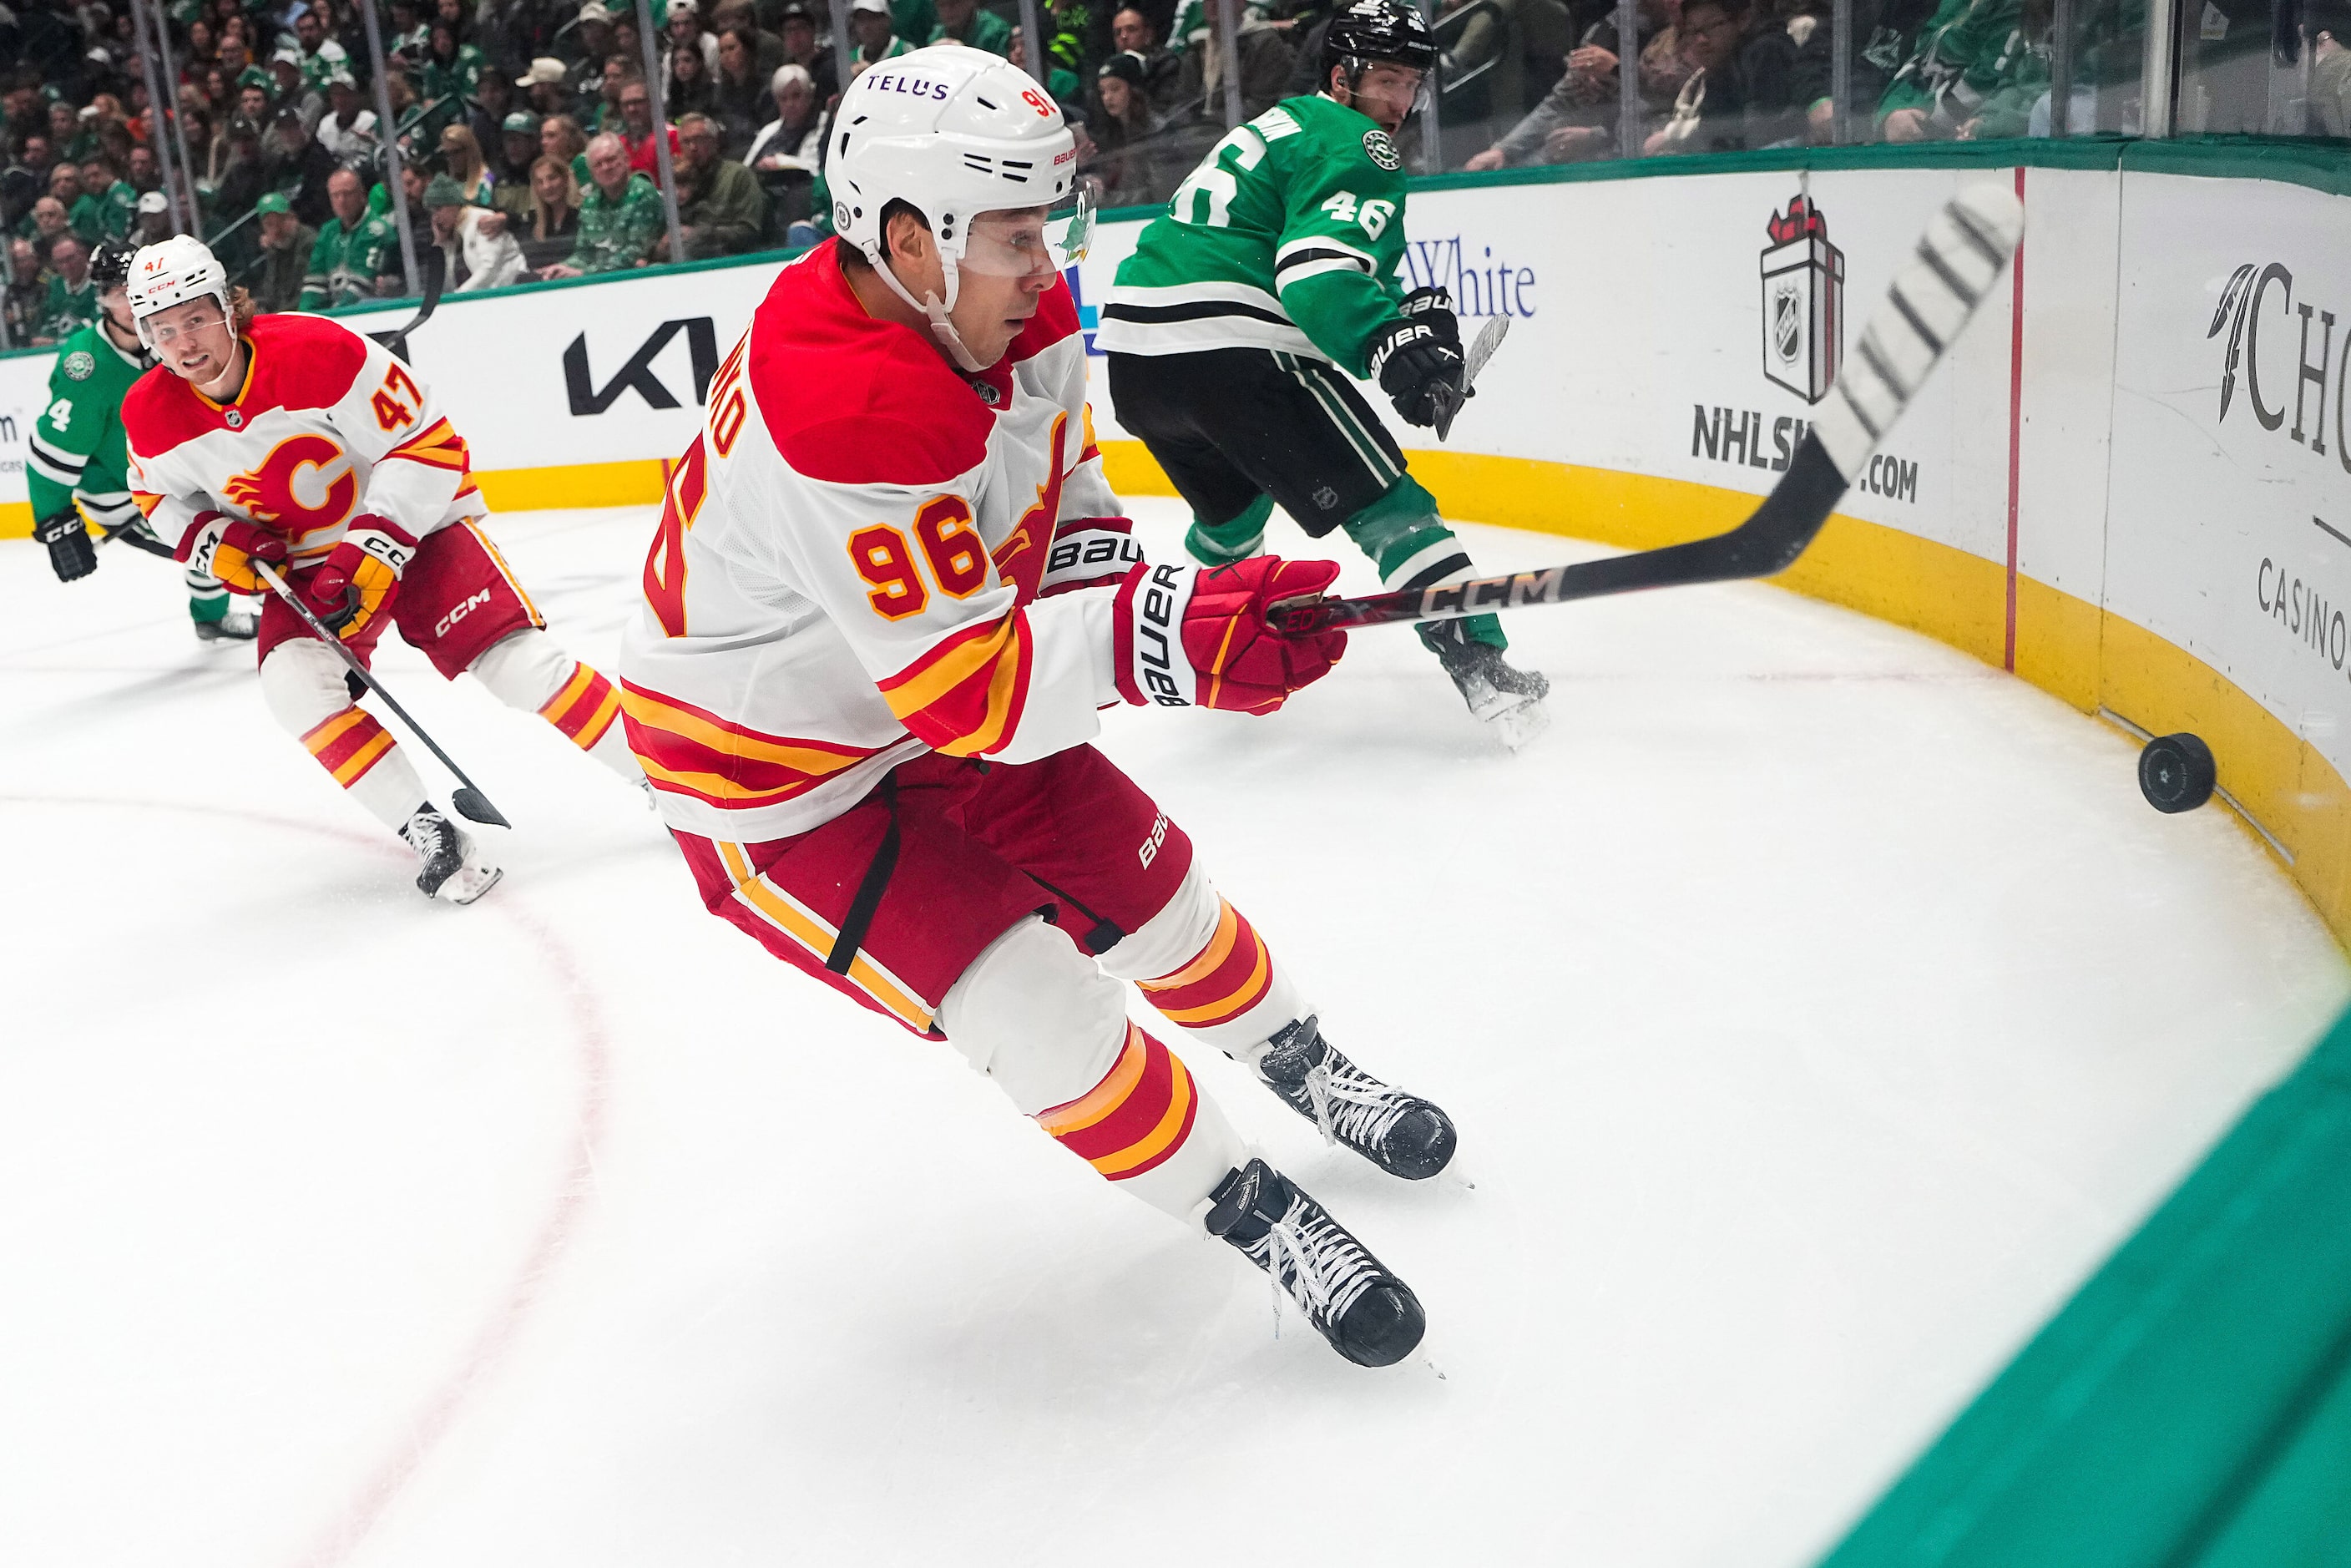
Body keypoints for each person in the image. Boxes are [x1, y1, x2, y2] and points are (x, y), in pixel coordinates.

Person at [618, 43, 1446, 1368]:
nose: (1047, 264)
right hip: (781, 785)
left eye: (1048, 224)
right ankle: (1250, 1206)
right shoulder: (842, 400)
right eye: (1015, 233)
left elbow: (1064, 515)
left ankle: (1299, 1057)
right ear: (910, 238)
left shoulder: (1010, 305)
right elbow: (970, 694)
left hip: (933, 685)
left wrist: (1159, 605)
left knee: (1165, 896)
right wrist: (1167, 639)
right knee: (1035, 1003)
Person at [122, 235, 647, 905]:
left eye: (196, 318)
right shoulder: (149, 412)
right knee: (295, 689)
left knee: (517, 666)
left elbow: (430, 444)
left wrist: (376, 547)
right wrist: (213, 537)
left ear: (229, 308)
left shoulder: (321, 350)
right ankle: (429, 829)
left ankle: (665, 775)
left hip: (415, 530)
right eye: (163, 331)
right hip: (305, 569)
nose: (184, 344)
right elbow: (156, 496)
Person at [1100, 0, 1550, 744]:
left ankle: (1196, 641)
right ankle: (1486, 673)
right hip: (1234, 354)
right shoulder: (1355, 141)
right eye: (1388, 82)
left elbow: (1280, 250)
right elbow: (1314, 276)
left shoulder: (1274, 128)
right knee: (1394, 511)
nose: (1401, 105)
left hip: (1139, 367)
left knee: (1232, 518)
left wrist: (1398, 317)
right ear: (1341, 77)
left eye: (1412, 85)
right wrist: (1387, 345)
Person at [27, 238, 254, 645]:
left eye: (137, 294)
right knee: (214, 539)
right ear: (102, 300)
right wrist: (56, 521)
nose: (133, 307)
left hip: (173, 470)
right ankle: (217, 615)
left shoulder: (168, 341)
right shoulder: (88, 366)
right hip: (120, 494)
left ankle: (214, 613)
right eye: (119, 295)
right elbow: (50, 455)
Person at [543, 131, 664, 276]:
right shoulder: (590, 203)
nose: (606, 167)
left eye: (611, 160)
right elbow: (583, 255)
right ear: (592, 173)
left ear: (626, 160)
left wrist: (583, 273)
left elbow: (636, 254)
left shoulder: (643, 193)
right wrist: (560, 268)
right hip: (597, 280)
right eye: (598, 164)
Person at [665, 112, 766, 258]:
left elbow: (749, 231)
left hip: (728, 258)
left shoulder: (737, 175)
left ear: (714, 141)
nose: (693, 147)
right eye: (686, 142)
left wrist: (701, 234)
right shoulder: (676, 180)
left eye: (699, 140)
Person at [300, 166, 402, 306]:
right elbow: (315, 282)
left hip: (369, 311)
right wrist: (305, 317)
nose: (341, 201)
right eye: (335, 195)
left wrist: (334, 316)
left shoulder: (376, 230)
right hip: (337, 311)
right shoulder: (328, 231)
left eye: (347, 194)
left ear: (362, 196)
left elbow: (362, 285)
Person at [1087, 52, 1170, 207]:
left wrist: (1105, 198)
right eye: (1103, 92)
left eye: (1115, 89)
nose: (1107, 98)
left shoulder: (1157, 130)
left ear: (1133, 89)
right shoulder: (1106, 133)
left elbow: (1158, 192)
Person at [423, 171, 528, 288]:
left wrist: (461, 295)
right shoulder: (457, 233)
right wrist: (441, 243)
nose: (435, 217)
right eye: (431, 212)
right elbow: (447, 283)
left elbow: (489, 268)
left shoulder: (482, 220)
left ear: (455, 204)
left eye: (438, 209)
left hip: (516, 287)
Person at [250, 190, 318, 312]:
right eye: (269, 224)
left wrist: (278, 315)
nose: (276, 230)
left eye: (280, 221)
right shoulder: (275, 249)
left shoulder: (309, 243)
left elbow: (307, 293)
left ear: (292, 218)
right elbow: (270, 293)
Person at [518, 153, 582, 269]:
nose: (547, 186)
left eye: (552, 178)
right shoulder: (531, 220)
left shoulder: (583, 214)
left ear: (566, 179)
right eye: (540, 182)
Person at [40, 234, 95, 341]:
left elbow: (99, 323)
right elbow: (47, 319)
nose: (66, 266)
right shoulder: (56, 285)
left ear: (83, 254)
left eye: (70, 258)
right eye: (60, 262)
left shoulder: (99, 282)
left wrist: (60, 340)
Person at [492, 109, 544, 219]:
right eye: (508, 140)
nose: (512, 147)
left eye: (517, 140)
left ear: (534, 143)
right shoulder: (497, 178)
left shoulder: (545, 176)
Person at [848, 0, 914, 70]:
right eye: (861, 20)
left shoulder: (905, 51)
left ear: (886, 20)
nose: (866, 26)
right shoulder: (852, 58)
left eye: (871, 18)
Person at [925, 0, 1012, 53]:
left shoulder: (996, 30)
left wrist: (964, 53)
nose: (948, 10)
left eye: (954, 3)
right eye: (942, 5)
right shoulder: (936, 35)